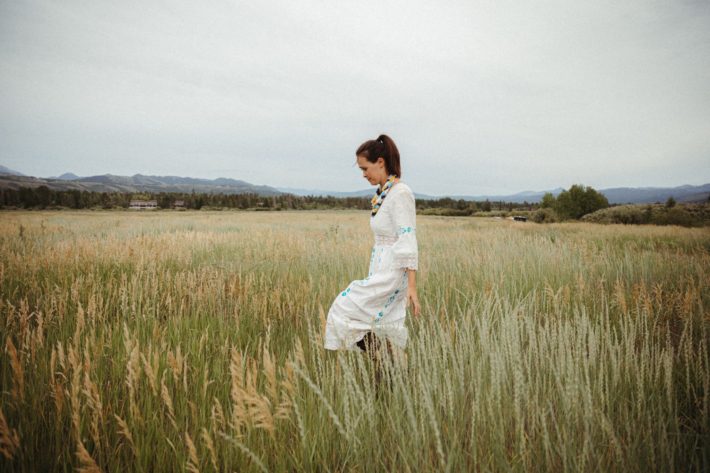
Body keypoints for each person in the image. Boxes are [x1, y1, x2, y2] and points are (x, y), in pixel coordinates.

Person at [324, 134, 421, 360]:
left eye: (365, 168)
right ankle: (389, 366)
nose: (363, 174)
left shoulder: (401, 193)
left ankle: (390, 361)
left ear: (381, 162)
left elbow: (407, 238)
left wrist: (412, 287)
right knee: (372, 324)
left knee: (343, 308)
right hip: (381, 266)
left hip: (393, 270)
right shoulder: (384, 193)